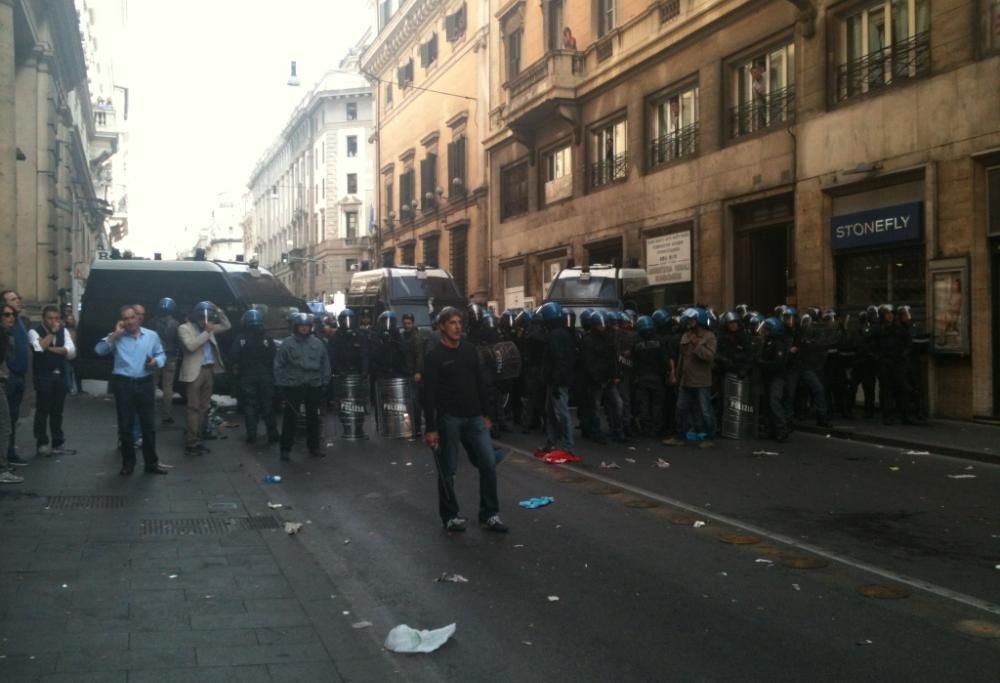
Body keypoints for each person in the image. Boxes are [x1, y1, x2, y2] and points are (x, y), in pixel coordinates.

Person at [423, 307, 508, 533]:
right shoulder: (434, 357)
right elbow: (428, 394)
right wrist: (431, 428)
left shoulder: (470, 351)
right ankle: (450, 516)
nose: (457, 327)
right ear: (442, 326)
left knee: (488, 463)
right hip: (449, 419)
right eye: (452, 323)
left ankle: (489, 513)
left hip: (475, 418)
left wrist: (488, 415)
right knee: (448, 470)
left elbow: (481, 383)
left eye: (460, 322)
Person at [94, 305, 168, 475]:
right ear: (121, 321)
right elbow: (99, 350)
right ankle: (128, 463)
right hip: (124, 385)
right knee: (125, 425)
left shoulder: (151, 336)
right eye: (125, 319)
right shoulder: (117, 337)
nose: (129, 322)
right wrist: (115, 335)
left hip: (145, 383)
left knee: (148, 426)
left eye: (132, 317)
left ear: (138, 318)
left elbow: (161, 354)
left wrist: (155, 362)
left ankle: (151, 463)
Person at [274, 313, 330, 461]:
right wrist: (280, 384)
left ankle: (314, 447)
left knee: (313, 418)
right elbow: (279, 365)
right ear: (296, 327)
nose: (304, 329)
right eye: (301, 326)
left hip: (313, 384)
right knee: (290, 418)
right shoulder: (287, 343)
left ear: (310, 327)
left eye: (307, 326)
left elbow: (325, 363)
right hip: (293, 385)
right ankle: (285, 449)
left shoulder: (318, 343)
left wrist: (325, 382)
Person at [177, 301, 231, 456]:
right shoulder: (184, 328)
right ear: (195, 317)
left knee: (204, 407)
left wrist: (218, 309)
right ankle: (191, 441)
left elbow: (227, 325)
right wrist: (206, 332)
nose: (204, 321)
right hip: (195, 372)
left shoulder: (208, 328)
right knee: (193, 408)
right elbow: (191, 346)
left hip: (208, 370)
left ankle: (199, 437)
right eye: (201, 318)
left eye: (206, 318)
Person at [663, 308, 717, 448]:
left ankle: (710, 438)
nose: (690, 323)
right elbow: (682, 358)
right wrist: (676, 375)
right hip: (686, 380)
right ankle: (679, 436)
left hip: (701, 380)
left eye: (692, 320)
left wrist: (696, 345)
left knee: (705, 411)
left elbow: (709, 357)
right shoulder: (685, 335)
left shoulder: (709, 336)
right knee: (680, 409)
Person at [28, 305, 76, 457]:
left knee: (58, 410)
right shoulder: (34, 331)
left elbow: (70, 351)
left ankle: (58, 443)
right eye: (50, 318)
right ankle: (41, 443)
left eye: (56, 318)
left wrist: (50, 348)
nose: (54, 321)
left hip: (60, 376)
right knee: (43, 410)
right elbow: (39, 348)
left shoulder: (65, 331)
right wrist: (51, 334)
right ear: (44, 318)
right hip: (43, 376)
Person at [230, 309, 280, 445]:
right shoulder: (267, 339)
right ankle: (273, 434)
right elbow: (274, 357)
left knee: (250, 406)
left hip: (247, 376)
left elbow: (233, 356)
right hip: (266, 377)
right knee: (268, 405)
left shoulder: (241, 339)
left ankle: (252, 435)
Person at [1, 290, 29, 467]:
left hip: (20, 375)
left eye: (18, 298)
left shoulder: (19, 322)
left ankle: (10, 452)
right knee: (5, 420)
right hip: (8, 377)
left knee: (12, 417)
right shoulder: (6, 326)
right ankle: (6, 457)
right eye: (12, 299)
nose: (17, 301)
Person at [631, 315, 671, 437]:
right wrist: (667, 374)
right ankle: (656, 429)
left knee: (644, 405)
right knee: (657, 405)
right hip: (657, 378)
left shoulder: (636, 343)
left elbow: (634, 362)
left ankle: (646, 429)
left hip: (642, 378)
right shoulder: (660, 341)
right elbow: (665, 360)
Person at [0, 304, 23, 483]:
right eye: (7, 314)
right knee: (4, 424)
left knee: (6, 424)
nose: (11, 318)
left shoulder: (7, 335)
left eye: (13, 315)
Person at [150, 297, 181, 425]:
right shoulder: (176, 324)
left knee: (152, 385)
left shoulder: (152, 322)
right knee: (168, 387)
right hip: (170, 356)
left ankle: (149, 412)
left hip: (155, 357)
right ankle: (167, 415)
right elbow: (179, 342)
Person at [400, 313, 425, 434]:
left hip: (413, 374)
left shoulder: (416, 337)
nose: (406, 326)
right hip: (406, 373)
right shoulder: (404, 336)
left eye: (408, 323)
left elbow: (419, 355)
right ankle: (410, 426)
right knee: (407, 402)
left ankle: (417, 427)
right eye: (405, 323)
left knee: (415, 402)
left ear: (413, 323)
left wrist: (418, 371)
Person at [61, 303, 83, 395]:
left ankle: (79, 389)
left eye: (71, 319)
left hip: (76, 355)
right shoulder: (64, 331)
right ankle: (68, 389)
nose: (70, 321)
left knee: (78, 373)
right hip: (67, 355)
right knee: (67, 372)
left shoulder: (76, 330)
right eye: (68, 319)